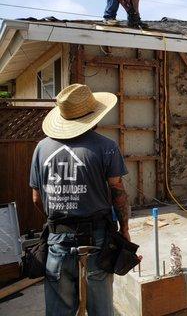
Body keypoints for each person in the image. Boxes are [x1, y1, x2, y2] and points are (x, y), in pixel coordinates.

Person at [30, 84, 130, 315]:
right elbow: (118, 193)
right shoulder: (106, 147)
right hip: (97, 239)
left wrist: (59, 219)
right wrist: (124, 230)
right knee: (101, 308)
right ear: (93, 117)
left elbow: (36, 198)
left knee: (59, 310)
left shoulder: (41, 148)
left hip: (57, 240)